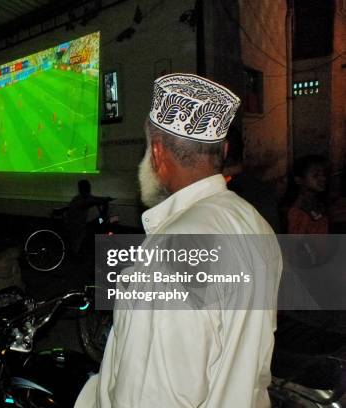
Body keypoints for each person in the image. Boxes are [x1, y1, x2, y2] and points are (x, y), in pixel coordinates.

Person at [75, 74, 282, 407]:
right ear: (224, 150)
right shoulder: (253, 222)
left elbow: (149, 395)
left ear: (156, 152)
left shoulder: (173, 250)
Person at [64, 179, 112, 256]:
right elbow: (87, 204)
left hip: (86, 223)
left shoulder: (86, 197)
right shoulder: (77, 200)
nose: (88, 189)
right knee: (79, 239)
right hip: (77, 224)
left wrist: (104, 200)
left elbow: (95, 199)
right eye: (86, 187)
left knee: (101, 220)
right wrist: (102, 201)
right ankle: (77, 253)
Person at [285, 155, 328, 234]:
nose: (323, 178)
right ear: (299, 180)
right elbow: (297, 244)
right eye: (316, 175)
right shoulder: (297, 212)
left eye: (323, 174)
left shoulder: (317, 204)